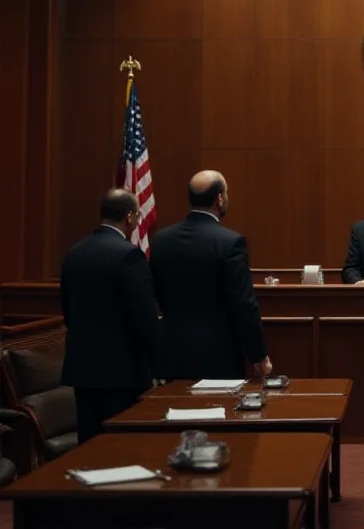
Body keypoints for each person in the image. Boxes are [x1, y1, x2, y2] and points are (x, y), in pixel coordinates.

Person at [149, 170, 272, 380]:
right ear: (220, 199)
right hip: (218, 356)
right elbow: (243, 304)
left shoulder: (161, 240)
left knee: (173, 409)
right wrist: (259, 356)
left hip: (172, 351)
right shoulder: (231, 243)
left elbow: (156, 292)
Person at [60, 189, 160, 444]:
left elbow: (68, 311)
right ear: (129, 217)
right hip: (122, 373)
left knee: (88, 445)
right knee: (119, 446)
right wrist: (157, 362)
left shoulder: (74, 253)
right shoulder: (129, 256)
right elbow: (144, 320)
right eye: (138, 216)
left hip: (83, 370)